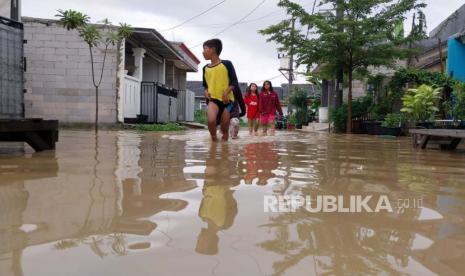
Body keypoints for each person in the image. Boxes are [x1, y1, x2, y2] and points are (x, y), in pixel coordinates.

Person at [202, 38, 239, 141]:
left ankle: (224, 151)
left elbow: (234, 82)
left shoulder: (227, 64)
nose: (203, 52)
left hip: (227, 101)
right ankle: (213, 142)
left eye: (205, 49)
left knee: (224, 129)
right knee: (211, 120)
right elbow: (205, 84)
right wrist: (205, 91)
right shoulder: (205, 68)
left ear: (213, 49)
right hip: (213, 99)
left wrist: (227, 92)